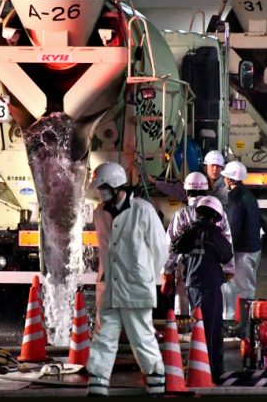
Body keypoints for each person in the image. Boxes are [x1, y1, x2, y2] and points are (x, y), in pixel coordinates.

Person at [86, 162, 169, 397]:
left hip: (135, 288)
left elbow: (160, 249)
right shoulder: (99, 213)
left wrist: (144, 276)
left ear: (115, 186)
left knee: (142, 337)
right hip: (109, 288)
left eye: (103, 187)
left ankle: (155, 382)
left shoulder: (143, 210)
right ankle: (98, 384)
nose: (100, 192)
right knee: (103, 337)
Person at [171, 196, 234, 381]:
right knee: (212, 329)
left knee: (199, 326)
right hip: (210, 284)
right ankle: (212, 371)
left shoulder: (191, 231)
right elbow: (227, 255)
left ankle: (202, 368)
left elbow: (177, 247)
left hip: (192, 284)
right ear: (215, 216)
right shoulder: (214, 233)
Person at [161, 172, 234, 316]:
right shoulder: (219, 214)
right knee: (210, 310)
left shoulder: (182, 214)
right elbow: (227, 242)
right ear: (206, 190)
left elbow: (170, 246)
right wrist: (229, 268)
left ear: (187, 192)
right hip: (212, 267)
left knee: (184, 308)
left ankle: (186, 326)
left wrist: (166, 272)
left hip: (187, 268)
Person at [220, 160, 262, 336]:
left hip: (242, 251)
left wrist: (226, 253)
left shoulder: (235, 200)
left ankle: (240, 327)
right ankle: (243, 325)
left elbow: (233, 228)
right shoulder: (249, 196)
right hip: (253, 248)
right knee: (245, 287)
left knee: (239, 288)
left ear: (230, 179)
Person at [147, 150, 229, 206]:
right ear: (205, 167)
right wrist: (155, 182)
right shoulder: (197, 181)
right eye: (212, 165)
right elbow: (175, 190)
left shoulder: (227, 186)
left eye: (218, 166)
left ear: (222, 168)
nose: (215, 169)